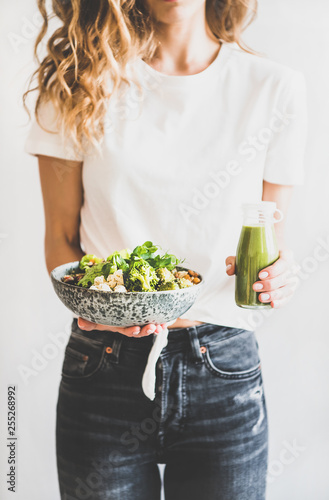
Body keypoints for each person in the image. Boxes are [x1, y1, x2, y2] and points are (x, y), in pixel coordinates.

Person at [24, 0, 307, 498]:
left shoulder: (273, 87)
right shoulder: (78, 83)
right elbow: (61, 241)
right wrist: (94, 305)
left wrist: (278, 276)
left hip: (223, 365)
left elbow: (269, 240)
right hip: (104, 360)